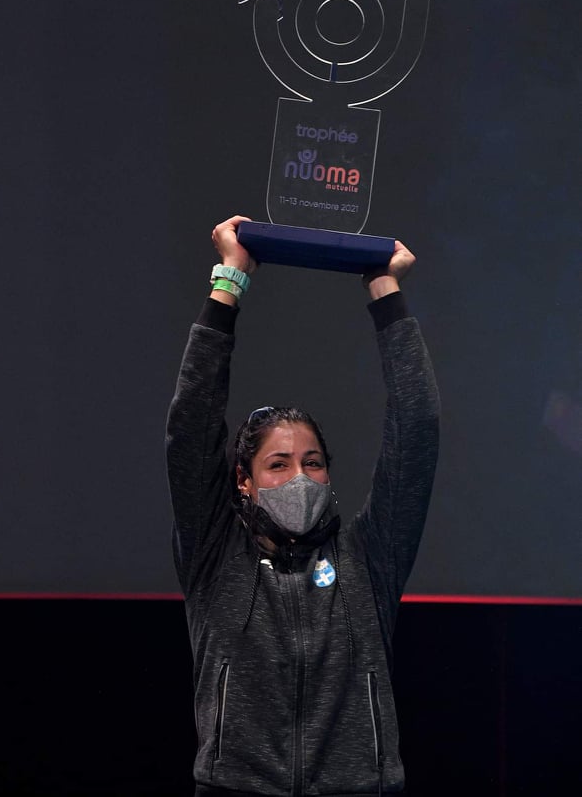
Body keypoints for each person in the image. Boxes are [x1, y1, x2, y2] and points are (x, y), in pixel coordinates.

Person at [166, 215, 440, 797]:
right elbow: (191, 426)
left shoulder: (369, 558)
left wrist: (385, 288)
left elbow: (416, 429)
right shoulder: (215, 556)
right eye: (278, 464)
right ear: (244, 481)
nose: (300, 477)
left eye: (312, 462)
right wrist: (230, 280)